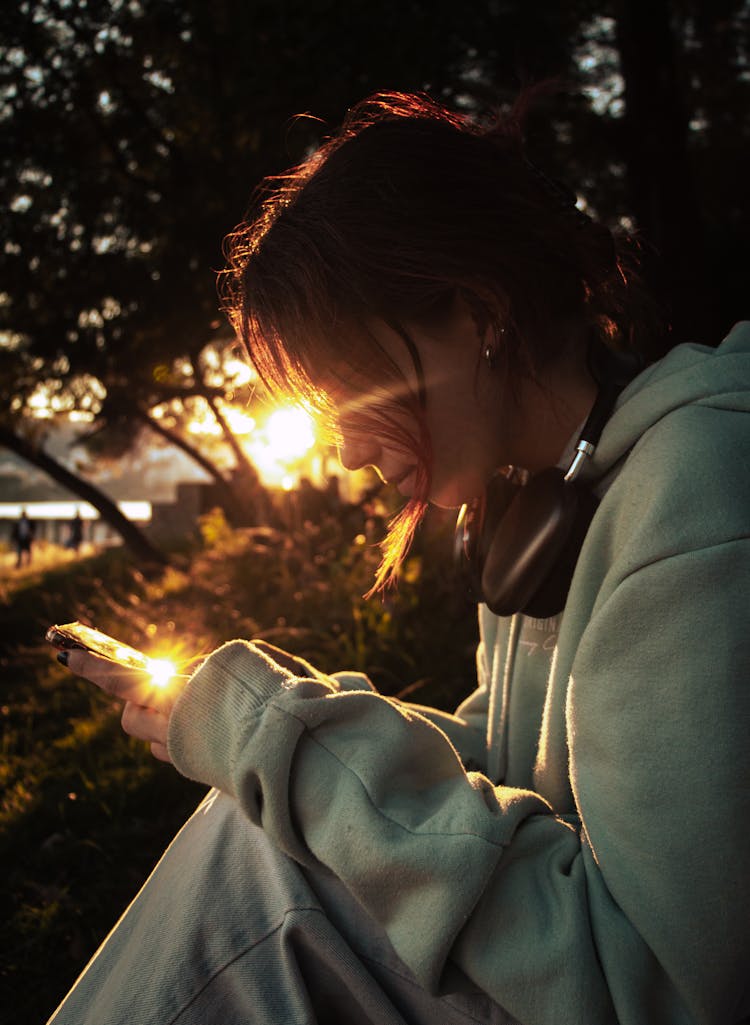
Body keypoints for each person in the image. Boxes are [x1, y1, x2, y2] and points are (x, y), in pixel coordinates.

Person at [49, 92, 749, 1025]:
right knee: (263, 826)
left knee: (260, 867)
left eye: (346, 384)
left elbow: (656, 987)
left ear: (480, 314)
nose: (341, 449)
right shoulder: (535, 508)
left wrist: (287, 747)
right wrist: (290, 730)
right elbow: (507, 771)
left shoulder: (693, 497)